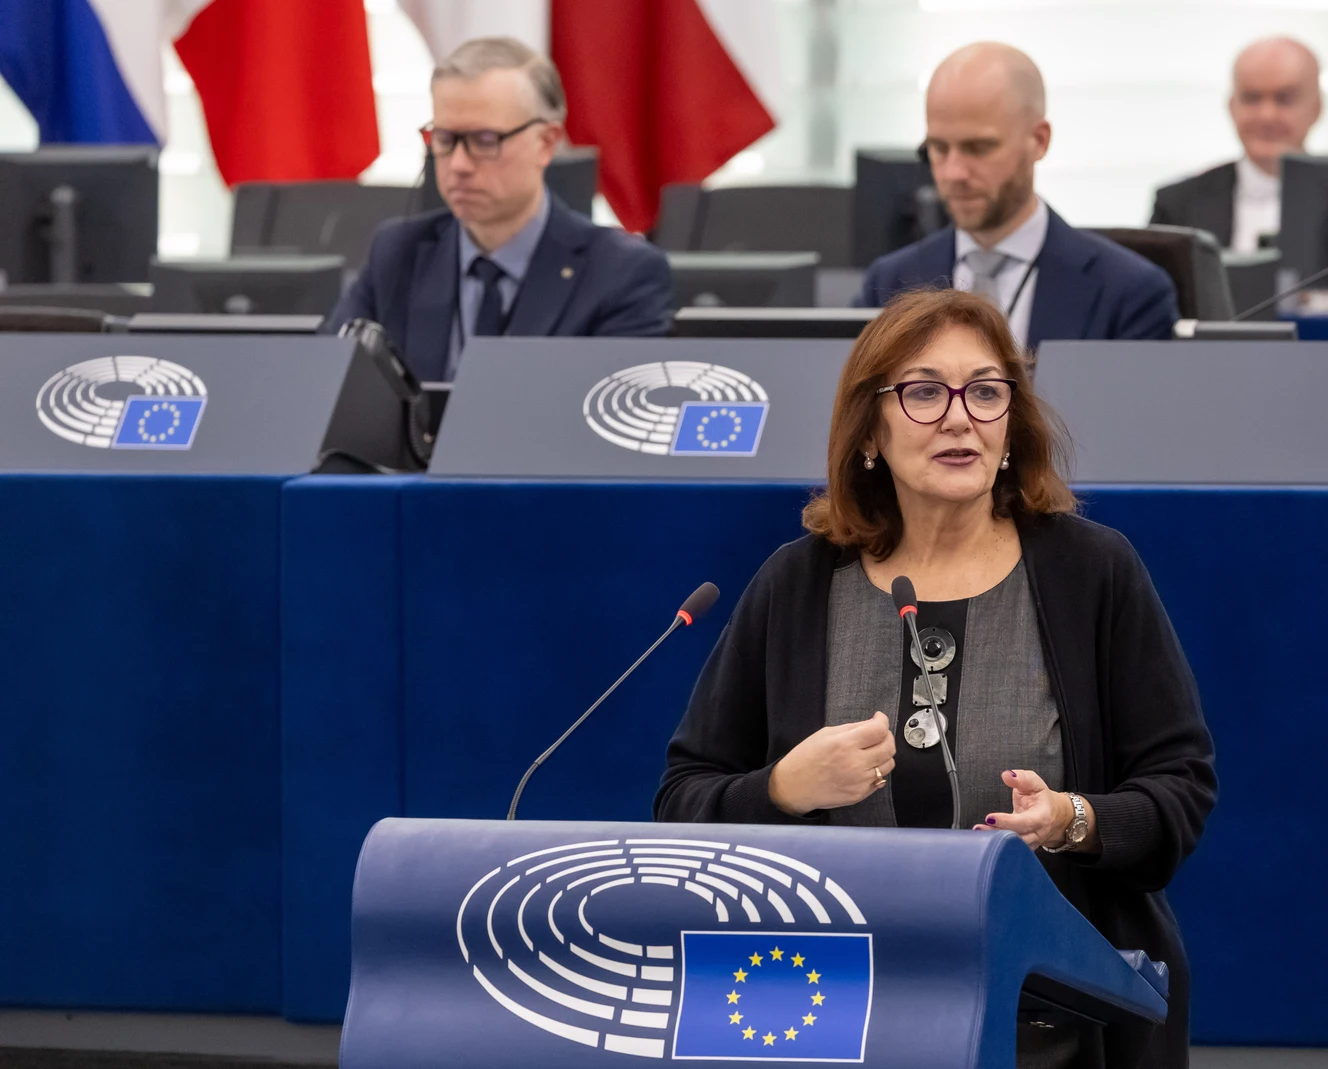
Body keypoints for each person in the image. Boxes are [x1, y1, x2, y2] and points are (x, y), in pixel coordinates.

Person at [656, 288, 1216, 1069]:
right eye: (924, 393)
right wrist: (782, 787)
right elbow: (682, 800)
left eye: (985, 392)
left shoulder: (1091, 572)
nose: (959, 418)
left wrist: (1072, 818)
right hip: (830, 1014)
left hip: (1052, 1022)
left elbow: (1180, 789)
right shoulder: (799, 583)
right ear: (869, 432)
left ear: (1011, 426)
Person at [324, 37, 673, 382]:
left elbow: (617, 411)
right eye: (444, 139)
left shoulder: (620, 273)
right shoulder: (398, 253)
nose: (458, 164)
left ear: (546, 143)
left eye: (485, 140)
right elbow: (329, 385)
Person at [858, 44, 1179, 350]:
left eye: (979, 148)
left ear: (1038, 141)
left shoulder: (1128, 294)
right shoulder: (889, 285)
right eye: (938, 148)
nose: (954, 173)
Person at [1150, 37, 1325, 252]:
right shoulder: (1177, 205)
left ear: (1316, 108)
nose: (1266, 116)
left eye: (1284, 99)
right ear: (1232, 107)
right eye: (1251, 98)